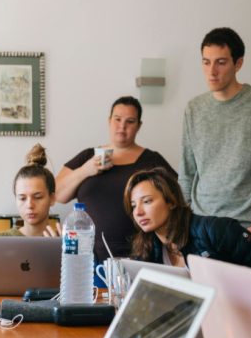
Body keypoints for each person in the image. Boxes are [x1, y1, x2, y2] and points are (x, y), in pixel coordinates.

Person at [124, 167, 251, 318]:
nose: (138, 212)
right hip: (196, 331)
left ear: (171, 201)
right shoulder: (148, 248)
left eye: (147, 201)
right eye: (133, 205)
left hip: (240, 327)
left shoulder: (214, 230)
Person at [180, 27, 251, 240]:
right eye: (206, 62)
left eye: (221, 62)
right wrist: (183, 222)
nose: (212, 71)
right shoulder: (194, 108)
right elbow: (187, 173)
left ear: (238, 64)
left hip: (247, 228)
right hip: (201, 225)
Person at [56, 96, 176, 262]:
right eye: (117, 119)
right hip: (87, 257)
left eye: (130, 121)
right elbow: (58, 194)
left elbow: (177, 198)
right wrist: (85, 170)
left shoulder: (152, 160)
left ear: (139, 126)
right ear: (109, 121)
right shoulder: (88, 156)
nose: (122, 126)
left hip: (142, 255)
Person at [0, 144, 61, 237]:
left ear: (52, 198)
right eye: (22, 198)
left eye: (38, 197)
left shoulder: (65, 243)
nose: (30, 205)